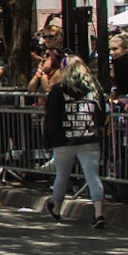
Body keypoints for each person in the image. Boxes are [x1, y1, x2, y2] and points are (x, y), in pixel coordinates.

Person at [43, 56, 108, 227]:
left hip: (64, 139)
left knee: (62, 176)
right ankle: (99, 213)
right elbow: (101, 116)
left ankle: (57, 209)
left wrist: (48, 140)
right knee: (93, 176)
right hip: (89, 137)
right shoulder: (94, 90)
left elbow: (51, 118)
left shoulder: (58, 90)